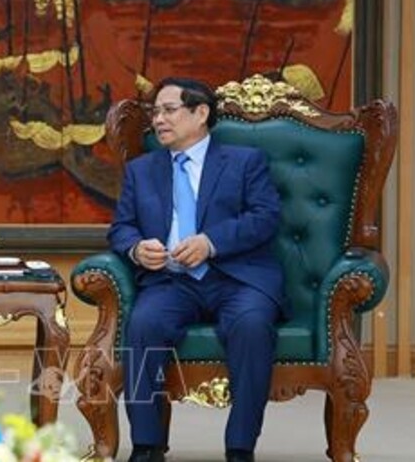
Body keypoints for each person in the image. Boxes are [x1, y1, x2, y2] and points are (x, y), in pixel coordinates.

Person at [107, 77, 285, 462]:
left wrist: (211, 242)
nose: (158, 119)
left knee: (252, 326)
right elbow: (121, 228)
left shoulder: (244, 162)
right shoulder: (141, 170)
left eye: (169, 110)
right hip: (171, 282)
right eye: (155, 112)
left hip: (236, 278)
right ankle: (147, 445)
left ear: (201, 113)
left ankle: (240, 447)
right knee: (143, 324)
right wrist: (137, 249)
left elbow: (265, 217)